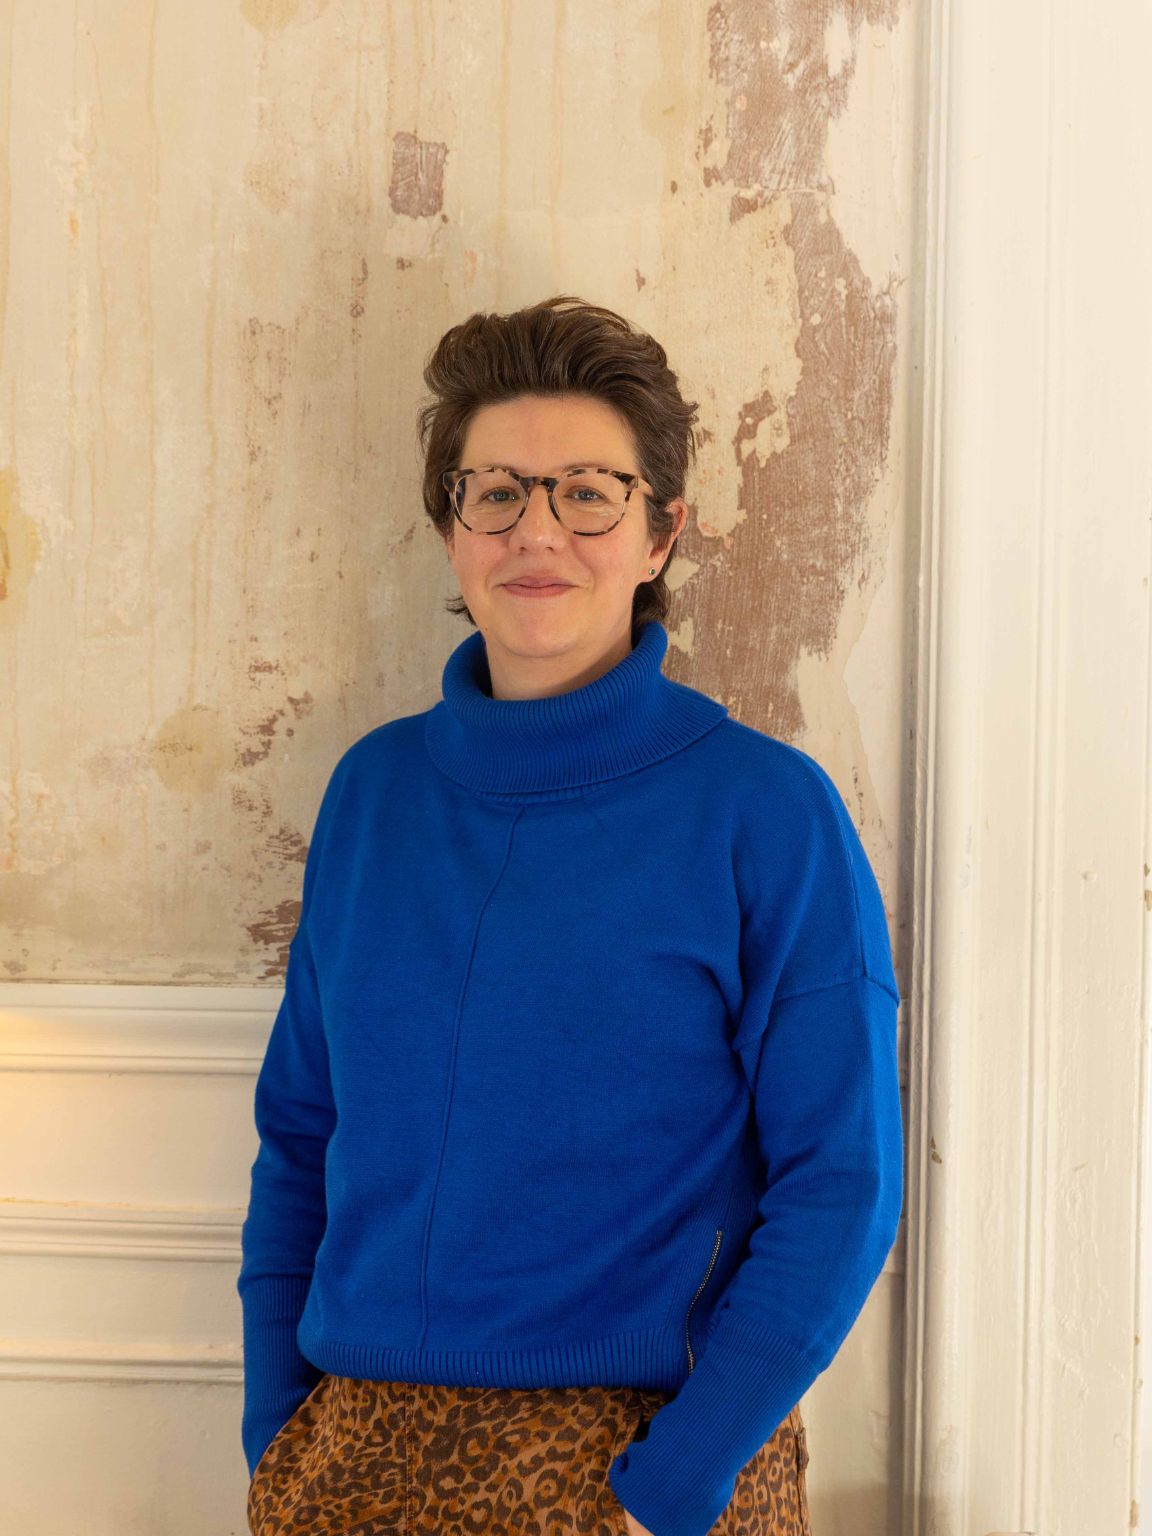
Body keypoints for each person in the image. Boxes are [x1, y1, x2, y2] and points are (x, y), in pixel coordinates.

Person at [238, 295, 903, 1536]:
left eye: (589, 493)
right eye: (496, 492)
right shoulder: (372, 796)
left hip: (636, 1466)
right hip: (349, 1459)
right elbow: (301, 1136)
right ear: (452, 530)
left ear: (660, 533)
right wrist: (276, 1436)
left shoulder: (766, 813)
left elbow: (842, 1184)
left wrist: (673, 1487)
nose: (536, 530)